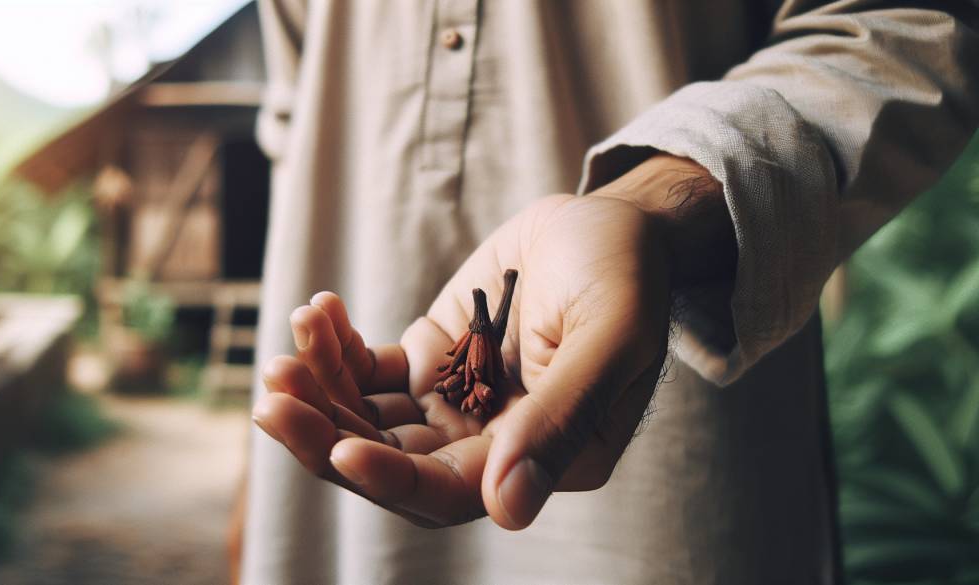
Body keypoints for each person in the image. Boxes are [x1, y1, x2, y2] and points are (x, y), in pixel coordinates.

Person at [241, 1, 979, 583]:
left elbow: (909, 22)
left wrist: (653, 208)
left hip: (675, 440)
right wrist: (257, 503)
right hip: (342, 390)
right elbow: (297, 104)